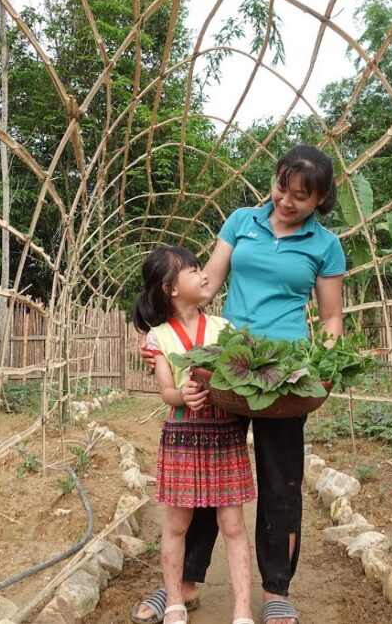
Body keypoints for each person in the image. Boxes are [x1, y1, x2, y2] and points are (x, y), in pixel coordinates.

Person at [133, 145, 345, 624]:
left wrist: (325, 367)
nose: (287, 202)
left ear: (320, 200)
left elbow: (331, 318)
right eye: (281, 189)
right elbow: (203, 282)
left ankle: (276, 592)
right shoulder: (240, 222)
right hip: (229, 365)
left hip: (286, 373)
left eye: (301, 197)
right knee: (208, 474)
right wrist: (164, 333)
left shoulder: (325, 245)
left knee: (281, 482)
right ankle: (183, 585)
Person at [131, 245, 257, 624]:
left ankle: (241, 610)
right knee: (177, 524)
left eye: (202, 267)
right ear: (170, 288)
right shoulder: (158, 339)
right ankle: (174, 601)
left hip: (224, 434)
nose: (204, 274)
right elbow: (167, 393)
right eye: (193, 270)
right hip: (183, 434)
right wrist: (180, 395)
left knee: (233, 525)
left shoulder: (225, 330)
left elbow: (241, 376)